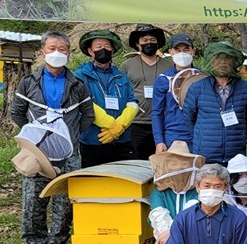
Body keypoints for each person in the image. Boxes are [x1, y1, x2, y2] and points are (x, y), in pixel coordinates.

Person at [11, 31, 94, 244]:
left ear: (69, 53)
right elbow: (17, 112)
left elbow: (87, 114)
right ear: (42, 52)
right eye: (52, 48)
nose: (57, 53)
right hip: (36, 153)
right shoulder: (29, 82)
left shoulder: (77, 84)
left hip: (69, 154)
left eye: (62, 49)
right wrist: (33, 134)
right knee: (33, 202)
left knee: (64, 202)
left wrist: (71, 133)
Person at [183, 41, 247, 164]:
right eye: (218, 57)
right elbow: (189, 118)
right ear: (211, 60)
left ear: (234, 61)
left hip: (235, 155)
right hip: (205, 155)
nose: (222, 62)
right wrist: (202, 139)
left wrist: (238, 137)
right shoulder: (197, 88)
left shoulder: (246, 88)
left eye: (227, 58)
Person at [74, 30, 139, 167]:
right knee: (94, 184)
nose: (103, 49)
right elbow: (81, 102)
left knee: (125, 183)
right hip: (94, 141)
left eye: (107, 46)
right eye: (98, 46)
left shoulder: (121, 77)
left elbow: (132, 102)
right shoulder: (80, 76)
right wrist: (109, 124)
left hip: (122, 141)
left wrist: (120, 125)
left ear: (113, 50)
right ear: (90, 51)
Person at [141, 141, 203, 244]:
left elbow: (191, 216)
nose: (179, 167)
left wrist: (172, 232)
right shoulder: (159, 192)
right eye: (174, 164)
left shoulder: (198, 190)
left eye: (183, 163)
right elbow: (158, 216)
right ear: (167, 166)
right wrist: (170, 236)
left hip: (194, 243)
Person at [120, 24, 173, 159]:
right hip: (135, 122)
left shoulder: (170, 65)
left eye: (152, 39)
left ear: (158, 43)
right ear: (138, 44)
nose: (149, 42)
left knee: (160, 160)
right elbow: (121, 92)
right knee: (133, 161)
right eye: (144, 40)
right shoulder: (127, 65)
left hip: (163, 123)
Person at [152, 33, 198, 154]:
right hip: (174, 135)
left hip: (200, 134)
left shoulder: (203, 77)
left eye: (186, 49)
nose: (182, 53)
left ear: (193, 51)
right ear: (171, 52)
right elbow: (157, 113)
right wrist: (159, 141)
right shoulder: (163, 79)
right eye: (178, 50)